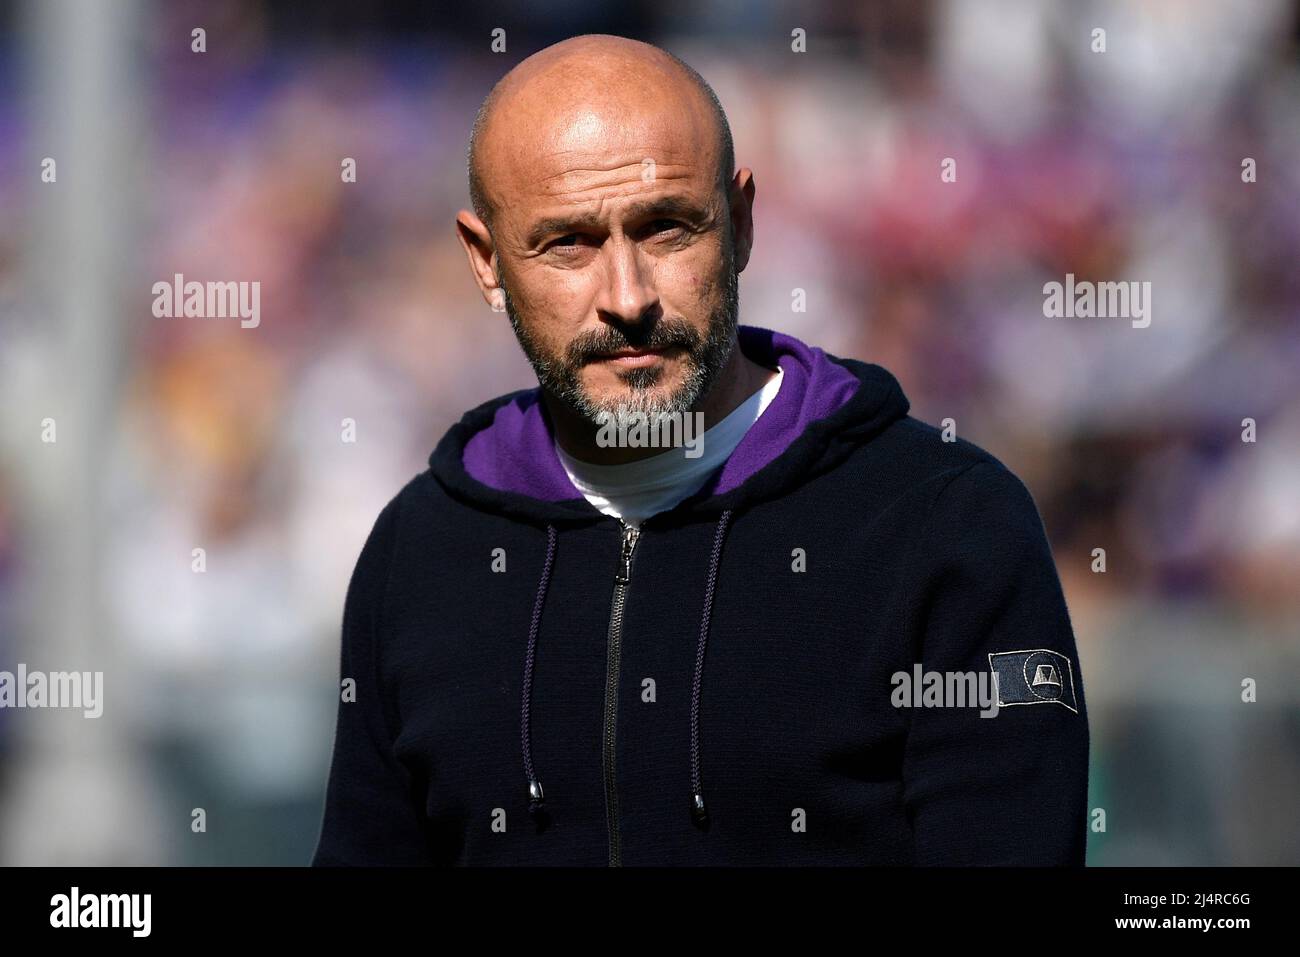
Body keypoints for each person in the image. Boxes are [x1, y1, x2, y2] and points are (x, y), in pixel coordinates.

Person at [311, 34, 1089, 866]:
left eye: (668, 228)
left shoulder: (942, 522)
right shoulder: (424, 549)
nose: (627, 297)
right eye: (568, 243)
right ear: (486, 260)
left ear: (742, 221)